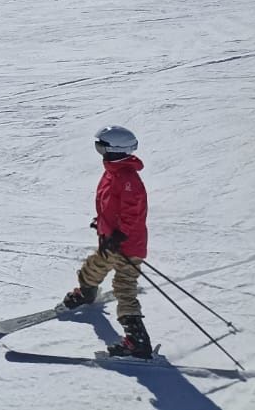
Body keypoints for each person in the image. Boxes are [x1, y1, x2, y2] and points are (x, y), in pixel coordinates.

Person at [62, 125, 152, 358]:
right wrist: (102, 222)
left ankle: (137, 342)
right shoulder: (113, 172)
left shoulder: (127, 178)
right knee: (94, 266)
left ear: (114, 149)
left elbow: (132, 212)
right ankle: (87, 293)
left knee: (124, 286)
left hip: (127, 245)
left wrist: (120, 234)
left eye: (101, 147)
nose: (99, 151)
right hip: (111, 240)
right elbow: (111, 205)